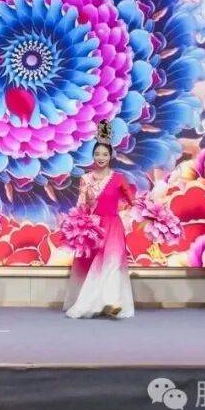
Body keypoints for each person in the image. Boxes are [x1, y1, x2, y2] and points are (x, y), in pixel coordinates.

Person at [63, 119, 136, 319]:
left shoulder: (118, 178)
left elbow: (133, 201)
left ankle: (113, 301)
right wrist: (78, 227)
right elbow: (81, 205)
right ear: (93, 156)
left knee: (113, 263)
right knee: (94, 265)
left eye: (105, 154)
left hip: (113, 227)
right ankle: (92, 303)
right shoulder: (86, 179)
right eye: (97, 154)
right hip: (93, 228)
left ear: (111, 156)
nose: (101, 157)